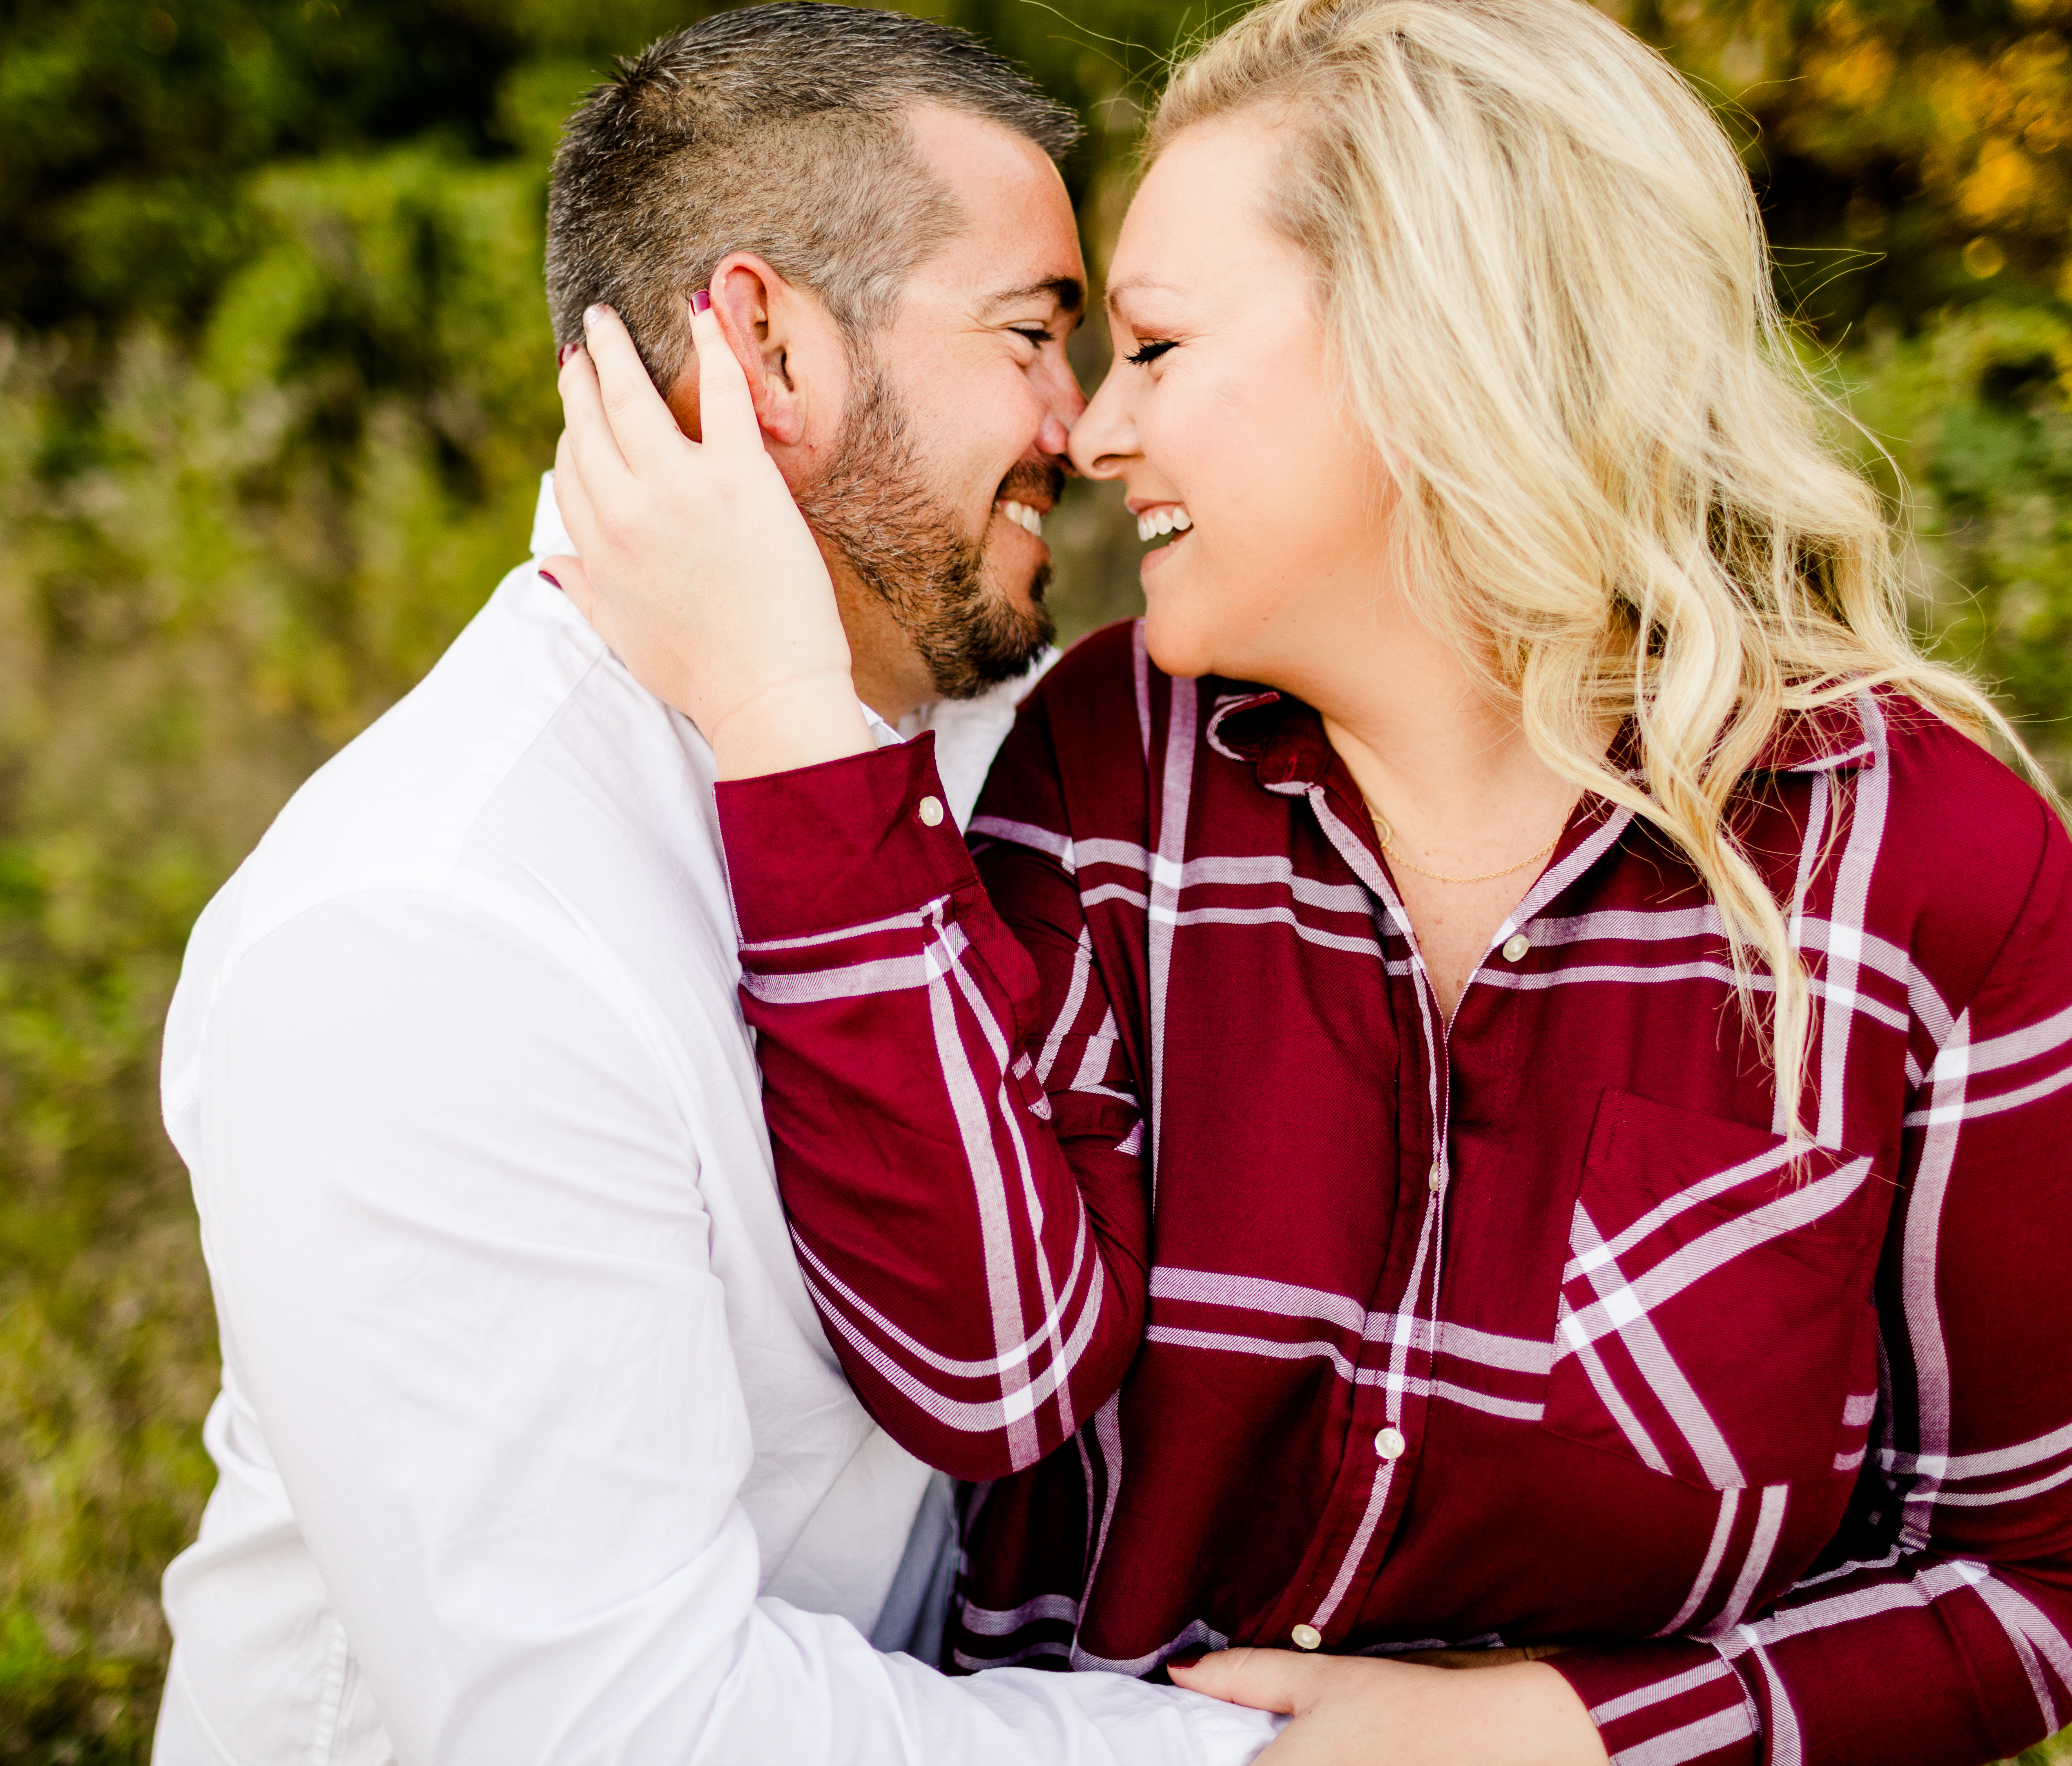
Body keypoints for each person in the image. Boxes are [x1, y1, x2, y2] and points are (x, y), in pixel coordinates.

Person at [542, 0, 2072, 1760]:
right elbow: (984, 1369)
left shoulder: (1924, 873)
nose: (1094, 433)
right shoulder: (1107, 772)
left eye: (1158, 347)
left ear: (1435, 353)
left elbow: (2037, 1581)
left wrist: (1555, 1737)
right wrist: (787, 723)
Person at [149, 5, 1288, 1763]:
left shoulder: (992, 760)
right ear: (763, 343)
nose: (1083, 423)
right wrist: (1290, 1757)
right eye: (1030, 333)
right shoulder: (432, 924)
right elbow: (616, 1727)